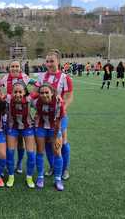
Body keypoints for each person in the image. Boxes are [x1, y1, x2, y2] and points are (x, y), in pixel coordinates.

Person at [35, 49, 73, 180]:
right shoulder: (41, 77)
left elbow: (68, 97)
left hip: (59, 117)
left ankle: (65, 169)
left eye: (52, 61)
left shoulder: (65, 78)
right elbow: (35, 94)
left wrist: (61, 109)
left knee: (62, 143)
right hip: (44, 117)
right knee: (47, 142)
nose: (49, 63)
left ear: (58, 61)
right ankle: (53, 166)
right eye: (47, 61)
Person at [32, 83, 65, 191]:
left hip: (54, 128)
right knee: (40, 152)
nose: (44, 95)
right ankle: (40, 176)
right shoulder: (36, 101)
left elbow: (59, 122)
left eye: (47, 92)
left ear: (52, 92)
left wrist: (55, 138)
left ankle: (58, 178)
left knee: (57, 152)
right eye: (42, 93)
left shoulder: (59, 103)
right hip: (40, 127)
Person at [0, 60, 30, 174]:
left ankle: (19, 163)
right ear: (9, 68)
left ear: (20, 68)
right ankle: (7, 163)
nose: (15, 68)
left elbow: (38, 86)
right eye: (12, 66)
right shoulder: (4, 78)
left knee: (21, 141)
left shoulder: (25, 77)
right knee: (8, 139)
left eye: (17, 66)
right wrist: (1, 95)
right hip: (8, 112)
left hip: (22, 113)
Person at [5, 82, 36, 188]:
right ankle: (11, 175)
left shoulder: (29, 100)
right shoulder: (8, 100)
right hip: (12, 128)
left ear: (24, 92)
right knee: (10, 152)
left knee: (31, 154)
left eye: (20, 92)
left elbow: (41, 100)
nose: (17, 94)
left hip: (27, 128)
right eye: (15, 92)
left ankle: (29, 177)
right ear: (11, 93)